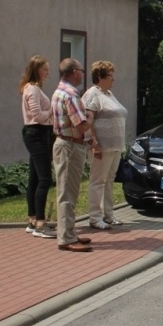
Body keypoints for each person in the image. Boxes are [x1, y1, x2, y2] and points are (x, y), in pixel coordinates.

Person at [52, 58, 94, 252]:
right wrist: (91, 117)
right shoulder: (71, 95)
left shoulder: (59, 91)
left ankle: (69, 232)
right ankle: (67, 238)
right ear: (74, 71)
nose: (83, 74)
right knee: (68, 193)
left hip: (65, 144)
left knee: (67, 192)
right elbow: (81, 124)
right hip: (69, 146)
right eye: (81, 71)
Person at [82, 61, 128, 230]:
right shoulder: (92, 94)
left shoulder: (108, 94)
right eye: (110, 76)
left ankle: (109, 215)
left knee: (109, 181)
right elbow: (88, 122)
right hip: (101, 146)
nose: (113, 79)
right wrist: (94, 144)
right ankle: (94, 217)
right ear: (100, 77)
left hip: (115, 146)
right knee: (98, 181)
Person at [19, 55, 56, 239]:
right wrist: (53, 110)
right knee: (44, 179)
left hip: (38, 133)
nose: (47, 73)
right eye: (45, 69)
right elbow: (37, 116)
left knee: (34, 178)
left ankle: (32, 219)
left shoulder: (33, 88)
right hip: (37, 134)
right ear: (36, 69)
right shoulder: (32, 89)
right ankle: (40, 223)